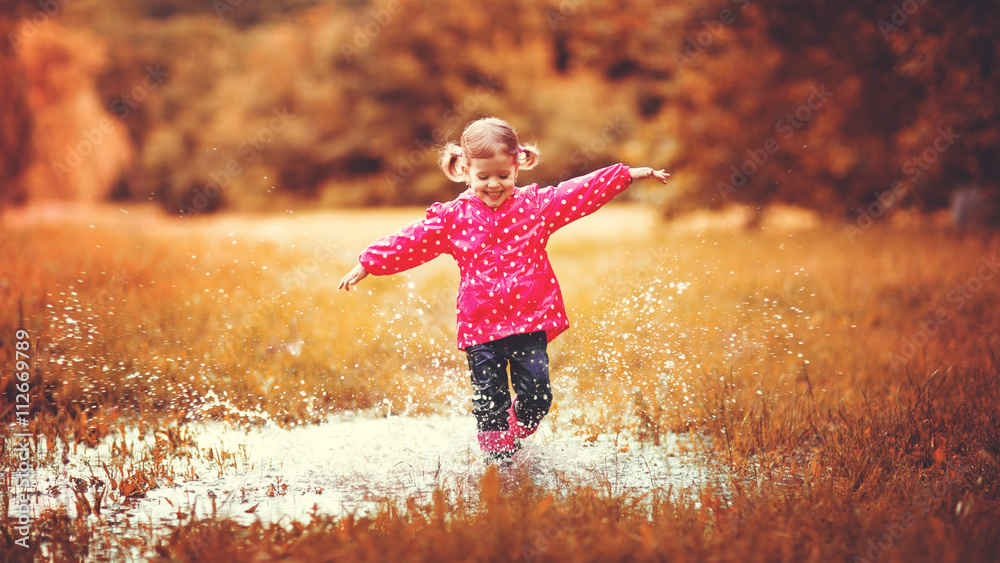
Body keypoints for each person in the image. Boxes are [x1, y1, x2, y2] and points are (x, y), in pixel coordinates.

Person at [339, 117, 670, 465]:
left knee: (538, 395)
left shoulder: (536, 207)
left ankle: (516, 431)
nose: (494, 185)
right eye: (483, 177)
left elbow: (578, 192)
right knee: (489, 402)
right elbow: (412, 240)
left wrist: (625, 175)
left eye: (503, 176)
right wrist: (369, 262)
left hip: (530, 322)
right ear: (466, 170)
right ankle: (499, 468)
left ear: (517, 166)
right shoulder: (453, 218)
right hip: (480, 328)